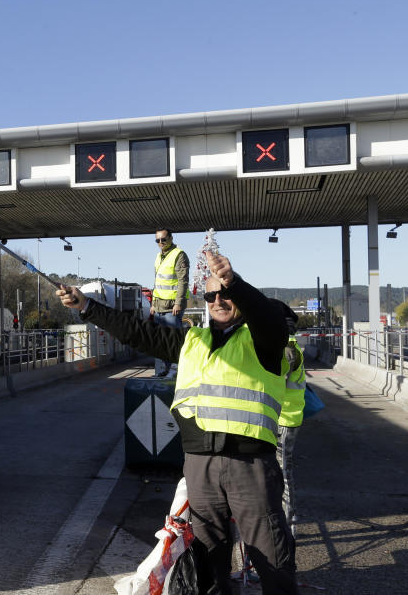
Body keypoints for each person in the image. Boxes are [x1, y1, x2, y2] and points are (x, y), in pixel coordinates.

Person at [57, 251, 299, 595]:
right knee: (208, 560)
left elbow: (269, 318)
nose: (218, 301)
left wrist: (236, 283)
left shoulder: (263, 341)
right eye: (211, 295)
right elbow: (136, 332)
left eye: (225, 294)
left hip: (249, 464)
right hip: (199, 466)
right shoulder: (192, 341)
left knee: (271, 558)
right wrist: (87, 307)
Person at [270, 299, 306, 541]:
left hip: (282, 421)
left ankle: (287, 530)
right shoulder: (291, 347)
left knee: (281, 475)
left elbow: (272, 383)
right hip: (288, 419)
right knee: (283, 474)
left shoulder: (286, 350)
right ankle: (287, 526)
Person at [150, 228, 189, 378]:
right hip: (159, 306)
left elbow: (183, 281)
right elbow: (157, 282)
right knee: (163, 342)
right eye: (157, 240)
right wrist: (153, 303)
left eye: (163, 239)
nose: (161, 242)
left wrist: (178, 303)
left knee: (175, 340)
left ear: (171, 238)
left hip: (172, 306)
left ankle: (178, 372)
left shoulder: (179, 255)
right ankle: (165, 371)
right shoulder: (159, 257)